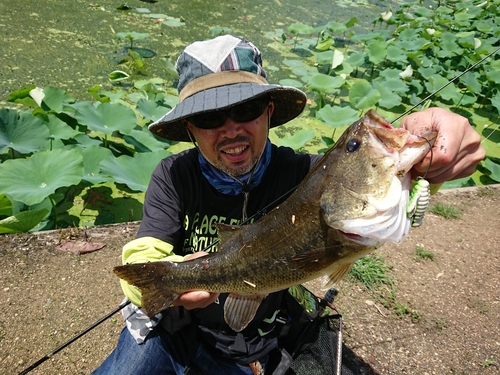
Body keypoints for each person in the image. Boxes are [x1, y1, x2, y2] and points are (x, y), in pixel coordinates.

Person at [92, 35, 485, 375]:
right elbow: (142, 255)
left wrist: (434, 145)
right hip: (180, 327)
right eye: (210, 117)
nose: (231, 129)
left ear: (269, 111)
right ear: (190, 128)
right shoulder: (172, 175)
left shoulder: (305, 174)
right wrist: (174, 280)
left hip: (258, 337)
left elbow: (380, 196)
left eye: (245, 109)